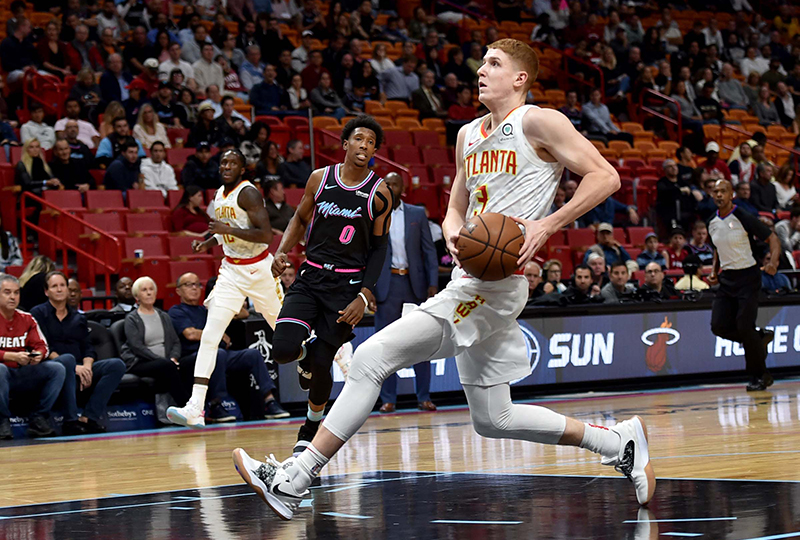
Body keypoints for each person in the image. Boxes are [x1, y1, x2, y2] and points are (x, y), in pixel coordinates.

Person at [232, 39, 655, 519]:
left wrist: (547, 224)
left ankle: (295, 477)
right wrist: (454, 233)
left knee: (370, 358)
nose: (481, 70)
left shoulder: (539, 121)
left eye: (494, 64)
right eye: (482, 62)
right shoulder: (468, 134)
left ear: (520, 78)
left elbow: (605, 177)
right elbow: (456, 206)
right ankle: (617, 442)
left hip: (496, 285)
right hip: (469, 277)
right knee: (494, 418)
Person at [239, 115, 392, 457]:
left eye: (371, 142)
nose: (364, 145)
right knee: (282, 349)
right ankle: (305, 354)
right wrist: (281, 252)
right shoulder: (319, 179)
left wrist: (364, 295)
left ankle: (310, 427)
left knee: (323, 362)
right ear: (345, 144)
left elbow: (380, 248)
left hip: (346, 286)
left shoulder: (379, 193)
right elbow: (299, 218)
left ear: (374, 151)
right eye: (359, 139)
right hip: (311, 277)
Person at [166, 148, 285, 429]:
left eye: (233, 163)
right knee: (210, 335)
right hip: (231, 271)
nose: (227, 166)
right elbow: (225, 230)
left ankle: (333, 357)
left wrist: (226, 230)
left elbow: (265, 235)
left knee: (284, 329)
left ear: (242, 169)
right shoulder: (219, 194)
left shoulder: (249, 193)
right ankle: (196, 406)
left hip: (258, 269)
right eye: (223, 162)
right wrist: (207, 243)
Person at [168, 272, 289, 422]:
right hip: (193, 357)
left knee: (252, 354)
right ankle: (216, 405)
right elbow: (190, 334)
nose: (194, 288)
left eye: (197, 284)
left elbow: (244, 313)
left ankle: (269, 402)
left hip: (220, 354)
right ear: (178, 291)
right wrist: (218, 334)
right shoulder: (176, 311)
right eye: (188, 285)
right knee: (218, 353)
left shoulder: (206, 309)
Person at [31, 271, 126, 434]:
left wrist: (87, 367)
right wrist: (74, 367)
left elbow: (87, 347)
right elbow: (44, 347)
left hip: (80, 366)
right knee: (67, 360)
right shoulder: (37, 314)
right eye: (54, 286)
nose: (59, 289)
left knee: (116, 365)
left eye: (62, 285)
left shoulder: (78, 317)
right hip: (54, 366)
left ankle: (89, 417)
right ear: (46, 291)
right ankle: (70, 420)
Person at [707, 179, 780, 392]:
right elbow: (717, 248)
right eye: (715, 191)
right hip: (727, 279)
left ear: (731, 195)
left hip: (748, 277)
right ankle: (759, 339)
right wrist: (714, 271)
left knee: (744, 326)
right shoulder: (711, 221)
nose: (719, 195)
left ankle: (761, 375)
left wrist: (773, 263)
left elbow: (773, 239)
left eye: (723, 191)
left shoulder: (743, 216)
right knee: (718, 326)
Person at [376, 173, 438, 413]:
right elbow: (368, 255)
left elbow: (429, 251)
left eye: (395, 184)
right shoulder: (374, 214)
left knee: (421, 342)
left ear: (402, 188)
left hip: (415, 284)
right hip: (387, 284)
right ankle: (388, 399)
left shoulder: (416, 214)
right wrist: (367, 289)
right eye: (387, 184)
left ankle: (424, 397)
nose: (391, 187)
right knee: (386, 344)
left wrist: (433, 283)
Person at [0, 274, 66, 440]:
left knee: (57, 368)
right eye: (7, 292)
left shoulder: (27, 318)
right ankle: (2, 421)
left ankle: (39, 417)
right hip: (3, 373)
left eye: (16, 293)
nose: (12, 297)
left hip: (22, 371)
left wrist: (38, 355)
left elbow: (42, 346)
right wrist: (11, 356)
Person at [120, 276, 189, 408]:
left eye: (151, 289)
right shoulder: (132, 319)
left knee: (190, 364)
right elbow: (137, 347)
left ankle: (208, 403)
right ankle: (186, 407)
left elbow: (175, 342)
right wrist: (163, 360)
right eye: (144, 290)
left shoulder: (164, 316)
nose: (149, 293)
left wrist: (173, 358)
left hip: (166, 361)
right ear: (137, 296)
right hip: (140, 362)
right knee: (167, 367)